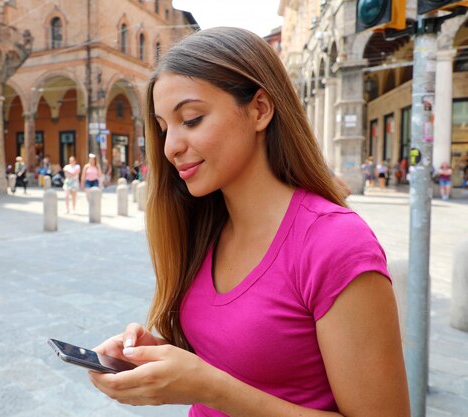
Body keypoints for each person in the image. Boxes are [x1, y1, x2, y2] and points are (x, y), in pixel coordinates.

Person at [89, 27, 409, 417]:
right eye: (163, 127)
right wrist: (157, 356)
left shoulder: (336, 243)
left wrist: (209, 386)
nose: (171, 146)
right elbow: (236, 360)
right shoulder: (206, 227)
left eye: (191, 119)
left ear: (260, 109)